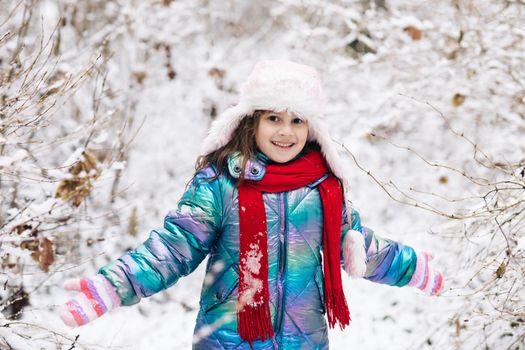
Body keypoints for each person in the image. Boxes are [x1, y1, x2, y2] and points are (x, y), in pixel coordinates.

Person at [60, 60, 443, 349]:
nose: (285, 131)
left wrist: (415, 268)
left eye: (297, 120)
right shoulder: (220, 183)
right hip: (229, 339)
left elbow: (358, 245)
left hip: (303, 341)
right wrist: (112, 286)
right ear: (251, 122)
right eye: (273, 118)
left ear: (312, 128)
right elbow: (173, 248)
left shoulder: (323, 187)